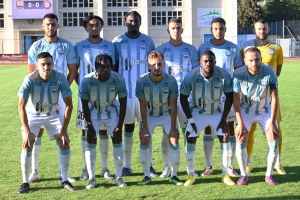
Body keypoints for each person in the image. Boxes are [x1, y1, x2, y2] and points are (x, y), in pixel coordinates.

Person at [27, 13, 77, 182]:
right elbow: (31, 73)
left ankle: (63, 173)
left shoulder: (67, 46)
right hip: (39, 95)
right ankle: (34, 172)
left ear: (57, 25)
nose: (50, 27)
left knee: (61, 132)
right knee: (37, 131)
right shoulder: (35, 46)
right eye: (47, 24)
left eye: (53, 24)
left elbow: (73, 71)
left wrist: (63, 91)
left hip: (60, 96)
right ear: (43, 26)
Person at [17, 52, 75, 194]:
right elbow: (21, 106)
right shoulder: (30, 79)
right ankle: (25, 182)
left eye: (49, 64)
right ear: (37, 66)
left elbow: (69, 105)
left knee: (64, 141)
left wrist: (63, 131)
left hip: (54, 114)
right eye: (43, 64)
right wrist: (27, 132)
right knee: (28, 142)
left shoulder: (60, 77)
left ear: (53, 64)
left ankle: (65, 179)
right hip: (34, 114)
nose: (46, 67)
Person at [180, 50, 234, 186]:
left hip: (216, 110)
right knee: (190, 136)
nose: (208, 63)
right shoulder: (191, 76)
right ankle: (191, 175)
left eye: (211, 61)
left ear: (215, 62)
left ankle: (225, 174)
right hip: (198, 111)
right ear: (200, 63)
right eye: (205, 61)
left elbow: (229, 97)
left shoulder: (223, 75)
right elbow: (183, 98)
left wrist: (224, 120)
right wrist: (191, 120)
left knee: (225, 135)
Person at [112, 11, 156, 177]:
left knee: (146, 128)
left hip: (145, 95)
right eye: (130, 21)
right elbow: (114, 68)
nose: (133, 24)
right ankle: (127, 166)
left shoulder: (148, 41)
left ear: (140, 22)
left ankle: (149, 165)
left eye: (136, 21)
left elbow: (154, 66)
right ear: (125, 22)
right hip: (126, 95)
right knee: (128, 129)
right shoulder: (118, 41)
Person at [197, 17, 242, 177]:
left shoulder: (233, 48)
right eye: (215, 28)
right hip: (208, 95)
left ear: (225, 29)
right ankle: (209, 166)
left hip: (226, 95)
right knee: (209, 129)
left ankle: (229, 166)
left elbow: (238, 73)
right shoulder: (203, 47)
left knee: (228, 129)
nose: (218, 31)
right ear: (211, 30)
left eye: (221, 28)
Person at [74, 15, 116, 181]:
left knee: (104, 129)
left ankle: (105, 168)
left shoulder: (110, 46)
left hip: (106, 95)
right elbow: (74, 70)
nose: (94, 28)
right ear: (86, 28)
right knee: (86, 130)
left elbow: (114, 69)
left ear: (101, 26)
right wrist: (84, 88)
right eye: (91, 25)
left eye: (97, 25)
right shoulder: (79, 47)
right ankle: (86, 169)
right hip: (85, 97)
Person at [241, 18, 285, 175]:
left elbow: (277, 71)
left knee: (275, 128)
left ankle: (277, 162)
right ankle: (248, 162)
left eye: (264, 28)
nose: (262, 31)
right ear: (254, 30)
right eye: (259, 29)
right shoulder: (246, 48)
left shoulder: (277, 48)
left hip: (270, 95)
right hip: (250, 95)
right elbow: (242, 69)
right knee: (249, 130)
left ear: (268, 29)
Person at [156, 18, 199, 178]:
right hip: (167, 99)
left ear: (182, 30)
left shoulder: (191, 50)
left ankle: (190, 169)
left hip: (186, 99)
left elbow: (196, 75)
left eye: (178, 28)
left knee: (188, 132)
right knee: (167, 133)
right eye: (173, 28)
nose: (175, 30)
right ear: (168, 30)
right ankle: (167, 167)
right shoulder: (161, 50)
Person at [79, 54, 127, 189]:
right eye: (102, 66)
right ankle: (92, 178)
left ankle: (119, 177)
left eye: (108, 66)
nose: (106, 69)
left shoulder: (118, 79)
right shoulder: (86, 81)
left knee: (117, 139)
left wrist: (119, 125)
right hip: (93, 111)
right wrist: (88, 125)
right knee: (91, 140)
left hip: (112, 111)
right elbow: (84, 104)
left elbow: (123, 103)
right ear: (96, 67)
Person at [233, 47, 279, 185]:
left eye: (257, 59)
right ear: (245, 61)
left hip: (265, 112)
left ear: (261, 59)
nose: (254, 63)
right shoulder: (237, 73)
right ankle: (243, 174)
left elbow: (275, 97)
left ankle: (269, 174)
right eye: (251, 60)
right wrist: (240, 123)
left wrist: (272, 121)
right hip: (245, 112)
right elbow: (236, 99)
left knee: (273, 136)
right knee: (241, 137)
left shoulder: (269, 71)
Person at [135, 50, 182, 185]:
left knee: (173, 139)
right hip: (149, 114)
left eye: (159, 64)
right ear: (148, 66)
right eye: (153, 65)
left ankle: (174, 175)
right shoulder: (141, 81)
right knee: (144, 139)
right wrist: (144, 127)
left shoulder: (171, 80)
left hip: (166, 114)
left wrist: (173, 127)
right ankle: (146, 176)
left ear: (164, 65)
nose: (156, 67)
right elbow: (142, 106)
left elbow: (173, 106)